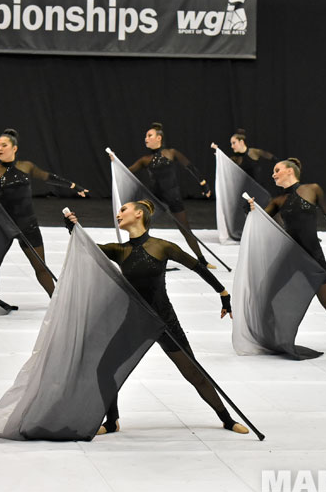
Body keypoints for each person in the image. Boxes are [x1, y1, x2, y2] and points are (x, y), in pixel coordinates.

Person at [65, 200, 248, 436]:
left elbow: (197, 267)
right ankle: (112, 422)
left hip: (165, 322)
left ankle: (226, 419)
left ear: (139, 214)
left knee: (193, 373)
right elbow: (87, 247)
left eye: (123, 210)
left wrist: (223, 293)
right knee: (104, 369)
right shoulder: (120, 250)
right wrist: (73, 228)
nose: (118, 214)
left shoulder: (162, 246)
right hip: (135, 323)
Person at [250, 158, 326, 355]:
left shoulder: (313, 189)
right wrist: (250, 208)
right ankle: (271, 339)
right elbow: (259, 218)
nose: (273, 174)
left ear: (290, 171)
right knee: (265, 295)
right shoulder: (278, 201)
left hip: (314, 257)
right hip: (289, 258)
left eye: (277, 170)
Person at [0, 129, 87, 297]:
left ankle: (57, 301)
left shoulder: (26, 166)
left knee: (41, 268)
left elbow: (48, 177)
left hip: (28, 225)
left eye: (4, 145)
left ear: (14, 148)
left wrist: (74, 186)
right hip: (3, 227)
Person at [125, 122, 214, 267]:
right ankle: (139, 257)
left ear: (158, 138)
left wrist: (204, 184)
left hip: (173, 198)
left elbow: (190, 167)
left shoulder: (171, 153)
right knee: (141, 226)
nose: (146, 138)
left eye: (149, 136)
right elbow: (126, 171)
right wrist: (114, 161)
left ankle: (202, 260)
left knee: (186, 230)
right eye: (146, 136)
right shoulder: (145, 160)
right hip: (155, 200)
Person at [212, 128, 277, 190]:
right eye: (231, 144)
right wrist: (218, 152)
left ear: (241, 142)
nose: (232, 146)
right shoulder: (236, 158)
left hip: (259, 190)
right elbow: (224, 162)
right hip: (245, 192)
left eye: (234, 143)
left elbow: (273, 158)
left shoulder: (253, 152)